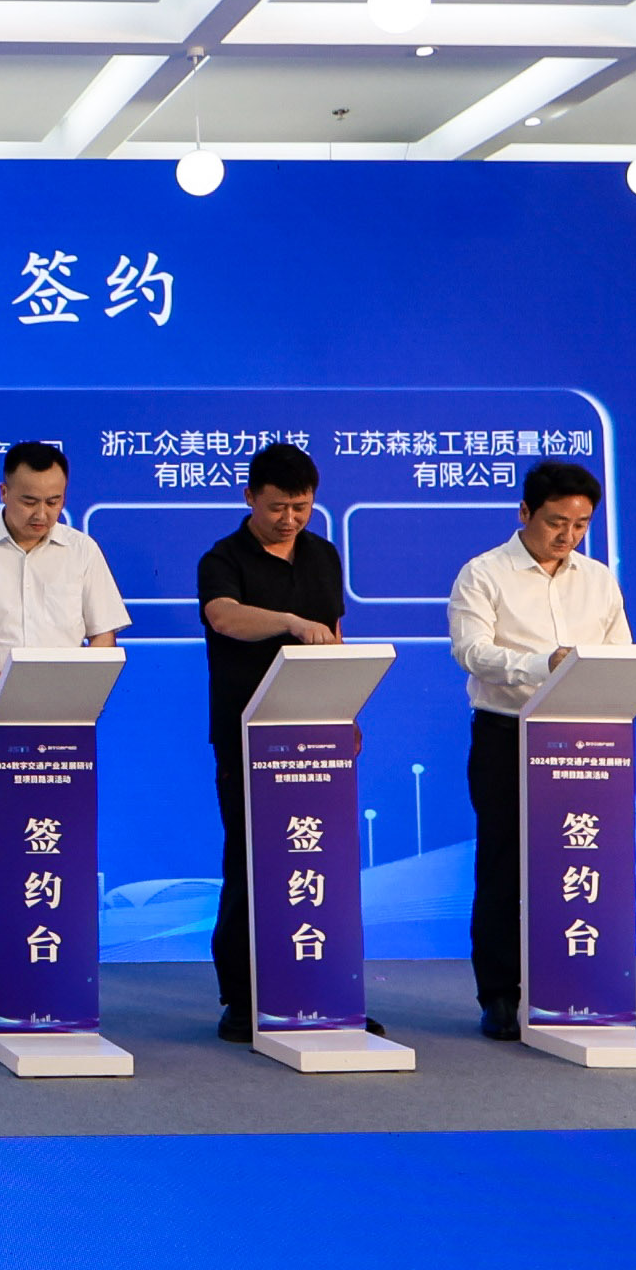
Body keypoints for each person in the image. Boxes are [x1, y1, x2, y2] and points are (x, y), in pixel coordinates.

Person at [0, 438, 126, 1050]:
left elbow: (104, 635)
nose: (42, 514)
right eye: (30, 500)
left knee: (59, 855)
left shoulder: (83, 551)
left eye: (55, 501)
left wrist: (90, 681)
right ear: (3, 492)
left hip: (63, 727)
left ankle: (59, 986)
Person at [448, 458, 629, 1043]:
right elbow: (471, 651)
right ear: (525, 512)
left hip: (583, 740)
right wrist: (542, 663)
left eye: (580, 524)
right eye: (556, 522)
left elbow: (619, 651)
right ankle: (500, 995)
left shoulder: (598, 579)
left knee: (580, 861)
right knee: (503, 866)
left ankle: (577, 982)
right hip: (507, 733)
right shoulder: (483, 573)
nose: (567, 535)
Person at [197, 440, 354, 1048]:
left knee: (316, 859)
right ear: (250, 499)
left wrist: (346, 711)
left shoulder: (324, 555)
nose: (290, 519)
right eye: (277, 507)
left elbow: (335, 634)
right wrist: (288, 622)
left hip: (317, 734)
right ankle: (242, 998)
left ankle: (318, 990)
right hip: (248, 734)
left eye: (301, 507)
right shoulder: (223, 557)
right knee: (250, 860)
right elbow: (224, 617)